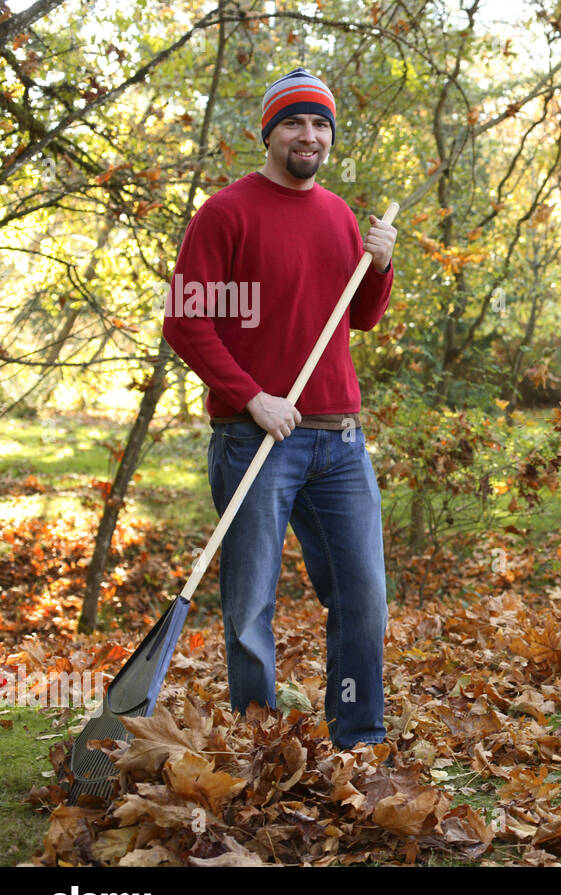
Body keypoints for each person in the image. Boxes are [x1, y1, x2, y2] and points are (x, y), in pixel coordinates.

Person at [162, 68, 397, 749]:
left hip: (339, 442)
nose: (309, 134)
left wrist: (380, 267)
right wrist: (250, 396)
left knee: (362, 601)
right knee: (249, 609)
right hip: (255, 439)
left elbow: (360, 320)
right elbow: (186, 320)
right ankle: (257, 741)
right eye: (295, 122)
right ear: (269, 133)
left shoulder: (337, 216)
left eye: (321, 123)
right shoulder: (226, 212)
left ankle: (357, 731)